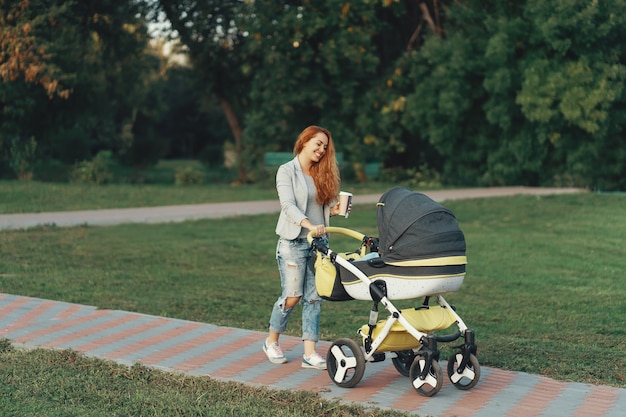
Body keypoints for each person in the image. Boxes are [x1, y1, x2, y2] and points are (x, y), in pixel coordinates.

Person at [262, 125, 348, 370]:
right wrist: (309, 224)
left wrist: (335, 209)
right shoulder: (286, 171)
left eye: (324, 146)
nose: (321, 150)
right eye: (318, 144)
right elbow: (288, 205)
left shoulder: (321, 173)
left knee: (313, 298)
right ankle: (271, 340)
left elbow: (322, 207)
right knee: (293, 296)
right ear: (304, 141)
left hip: (318, 245)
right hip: (293, 241)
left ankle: (309, 354)